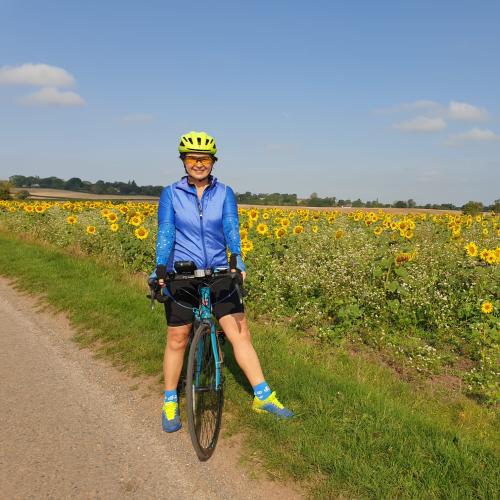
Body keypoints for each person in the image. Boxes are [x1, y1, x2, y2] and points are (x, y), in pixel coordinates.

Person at [153, 130, 293, 433]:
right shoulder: (171, 194)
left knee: (239, 332)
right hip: (183, 273)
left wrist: (237, 261)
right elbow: (166, 232)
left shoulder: (224, 192)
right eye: (192, 158)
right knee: (178, 338)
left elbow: (231, 227)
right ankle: (169, 400)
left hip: (219, 271)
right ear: (183, 161)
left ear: (213, 162)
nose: (198, 164)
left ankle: (263, 397)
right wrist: (160, 268)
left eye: (204, 159)